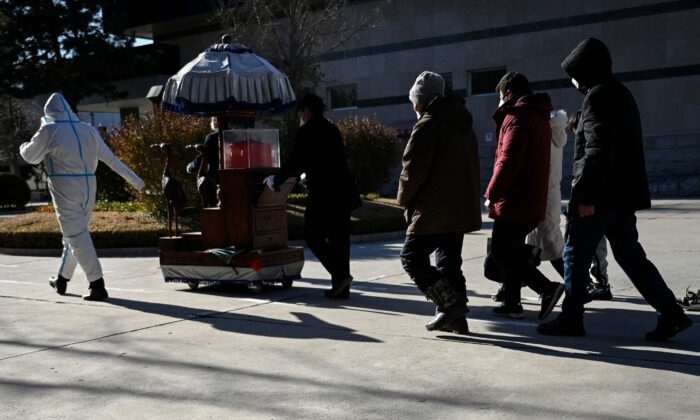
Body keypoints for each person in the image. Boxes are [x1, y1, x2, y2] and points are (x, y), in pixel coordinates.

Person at [538, 38, 693, 340]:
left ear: (586, 70)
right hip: (621, 197)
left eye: (575, 73)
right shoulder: (620, 93)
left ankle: (571, 319)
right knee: (631, 256)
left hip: (600, 198)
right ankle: (672, 313)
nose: (574, 80)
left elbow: (596, 152)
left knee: (574, 254)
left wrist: (585, 198)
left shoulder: (598, 97)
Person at [19, 92, 145, 301]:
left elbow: (30, 156)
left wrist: (23, 144)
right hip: (89, 186)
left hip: (65, 186)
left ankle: (97, 284)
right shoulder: (88, 130)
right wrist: (138, 183)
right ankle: (61, 279)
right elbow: (111, 160)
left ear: (49, 113)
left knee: (76, 236)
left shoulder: (49, 130)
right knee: (75, 236)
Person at [398, 71, 482, 334]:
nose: (413, 108)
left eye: (414, 102)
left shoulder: (428, 125)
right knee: (449, 262)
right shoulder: (463, 125)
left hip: (435, 207)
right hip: (460, 206)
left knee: (411, 258)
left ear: (421, 101)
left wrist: (403, 200)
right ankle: (458, 321)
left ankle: (449, 306)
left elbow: (412, 172)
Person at [484, 72, 565, 320]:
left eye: (500, 96)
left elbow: (507, 161)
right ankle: (512, 303)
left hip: (515, 200)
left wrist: (491, 193)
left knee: (500, 252)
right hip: (533, 199)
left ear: (508, 94)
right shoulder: (540, 119)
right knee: (514, 252)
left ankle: (547, 289)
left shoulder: (516, 118)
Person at [264, 94, 361, 298]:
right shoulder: (332, 128)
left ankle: (340, 275)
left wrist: (277, 180)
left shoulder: (307, 131)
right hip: (343, 192)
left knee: (313, 236)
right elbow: (325, 161)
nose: (300, 116)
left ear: (306, 110)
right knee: (339, 240)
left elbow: (294, 160)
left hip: (324, 193)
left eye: (300, 112)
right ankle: (341, 288)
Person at [567, 110, 612, 301]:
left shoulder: (593, 145)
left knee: (595, 249)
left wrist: (584, 199)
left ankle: (601, 284)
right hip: (595, 202)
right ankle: (596, 283)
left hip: (594, 205)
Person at [186, 117, 219, 208]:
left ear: (215, 122)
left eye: (211, 121)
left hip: (214, 178)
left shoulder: (211, 138)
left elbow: (202, 157)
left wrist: (190, 167)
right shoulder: (233, 135)